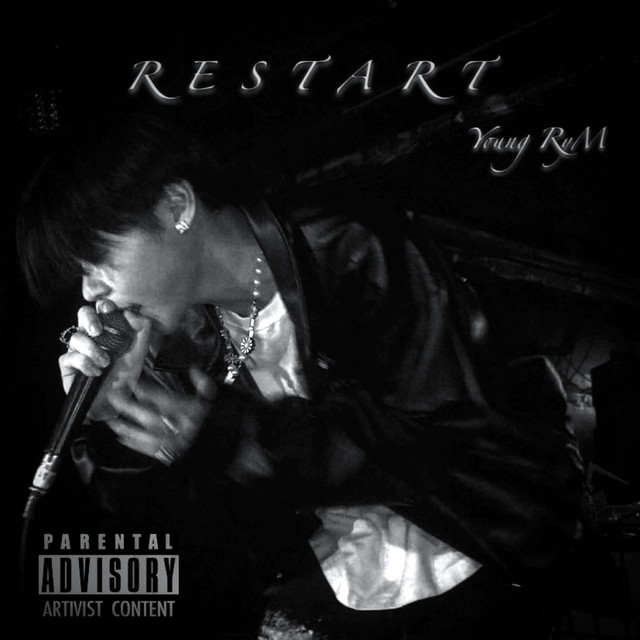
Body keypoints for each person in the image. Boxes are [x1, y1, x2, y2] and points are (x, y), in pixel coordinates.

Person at [17, 112, 586, 639]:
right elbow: (184, 533)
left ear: (176, 206)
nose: (91, 290)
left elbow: (440, 436)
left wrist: (240, 440)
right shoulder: (185, 340)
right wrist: (110, 412)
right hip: (350, 594)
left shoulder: (353, 247)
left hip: (480, 567)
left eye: (98, 259)